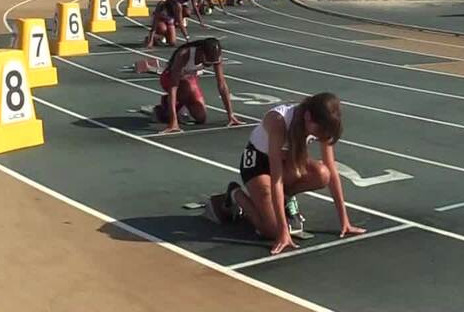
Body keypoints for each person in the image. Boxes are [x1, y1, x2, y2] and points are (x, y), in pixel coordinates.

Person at [208, 92, 365, 254]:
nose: (320, 136)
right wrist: (282, 232)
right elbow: (277, 179)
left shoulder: (323, 124)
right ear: (308, 117)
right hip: (258, 164)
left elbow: (331, 170)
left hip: (287, 162)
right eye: (319, 131)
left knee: (322, 174)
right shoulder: (278, 121)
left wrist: (344, 221)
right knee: (271, 231)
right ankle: (235, 195)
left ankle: (285, 199)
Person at [143, 38, 240, 134]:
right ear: (201, 52)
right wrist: (173, 122)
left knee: (201, 117)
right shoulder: (184, 54)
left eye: (212, 62)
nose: (209, 64)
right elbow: (173, 86)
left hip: (189, 80)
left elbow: (222, 84)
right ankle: (165, 109)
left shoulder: (216, 58)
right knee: (186, 89)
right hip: (169, 79)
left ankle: (173, 105)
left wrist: (230, 114)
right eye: (208, 61)